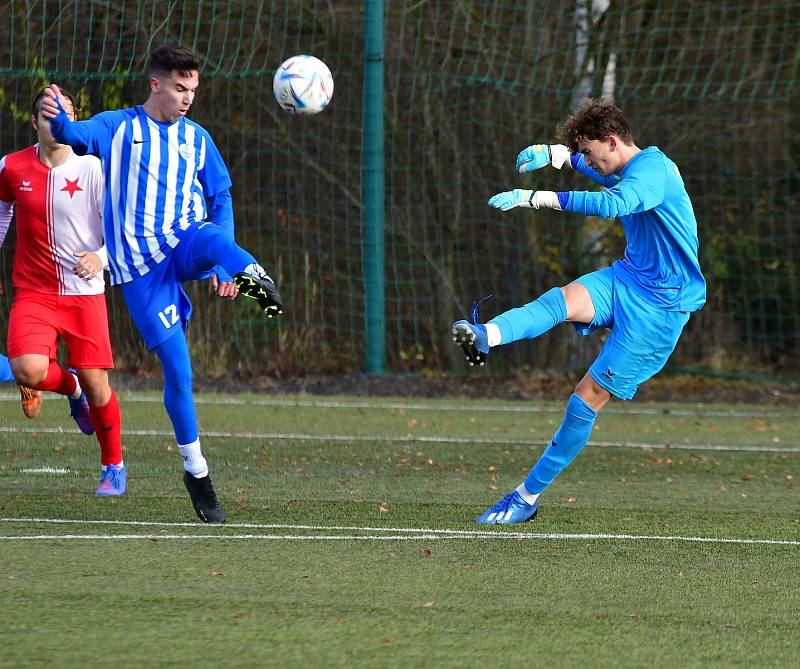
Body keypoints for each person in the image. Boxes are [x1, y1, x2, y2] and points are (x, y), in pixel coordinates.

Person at [41, 44, 284, 523]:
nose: (188, 97)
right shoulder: (119, 126)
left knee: (214, 240)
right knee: (180, 372)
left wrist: (224, 269)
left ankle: (251, 274)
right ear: (156, 84)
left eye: (193, 88)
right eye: (179, 87)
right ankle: (196, 471)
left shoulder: (197, 138)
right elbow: (75, 134)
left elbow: (221, 196)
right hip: (140, 270)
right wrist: (58, 120)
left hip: (185, 240)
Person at [452, 98, 706, 524]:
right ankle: (487, 336)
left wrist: (534, 198)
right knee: (563, 299)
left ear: (612, 141)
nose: (587, 159)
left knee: (586, 398)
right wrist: (554, 154)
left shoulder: (653, 173)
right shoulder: (624, 163)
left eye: (589, 151)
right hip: (628, 279)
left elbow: (611, 205)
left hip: (661, 311)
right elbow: (592, 167)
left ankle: (526, 497)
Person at [0, 88, 127, 496]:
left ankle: (113, 465)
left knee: (98, 385)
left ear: (73, 122)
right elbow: (2, 212)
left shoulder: (94, 168)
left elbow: (123, 228)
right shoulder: (11, 166)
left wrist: (102, 257)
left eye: (64, 116)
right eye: (47, 115)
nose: (55, 123)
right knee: (27, 369)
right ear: (34, 122)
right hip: (34, 292)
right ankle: (70, 388)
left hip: (84, 292)